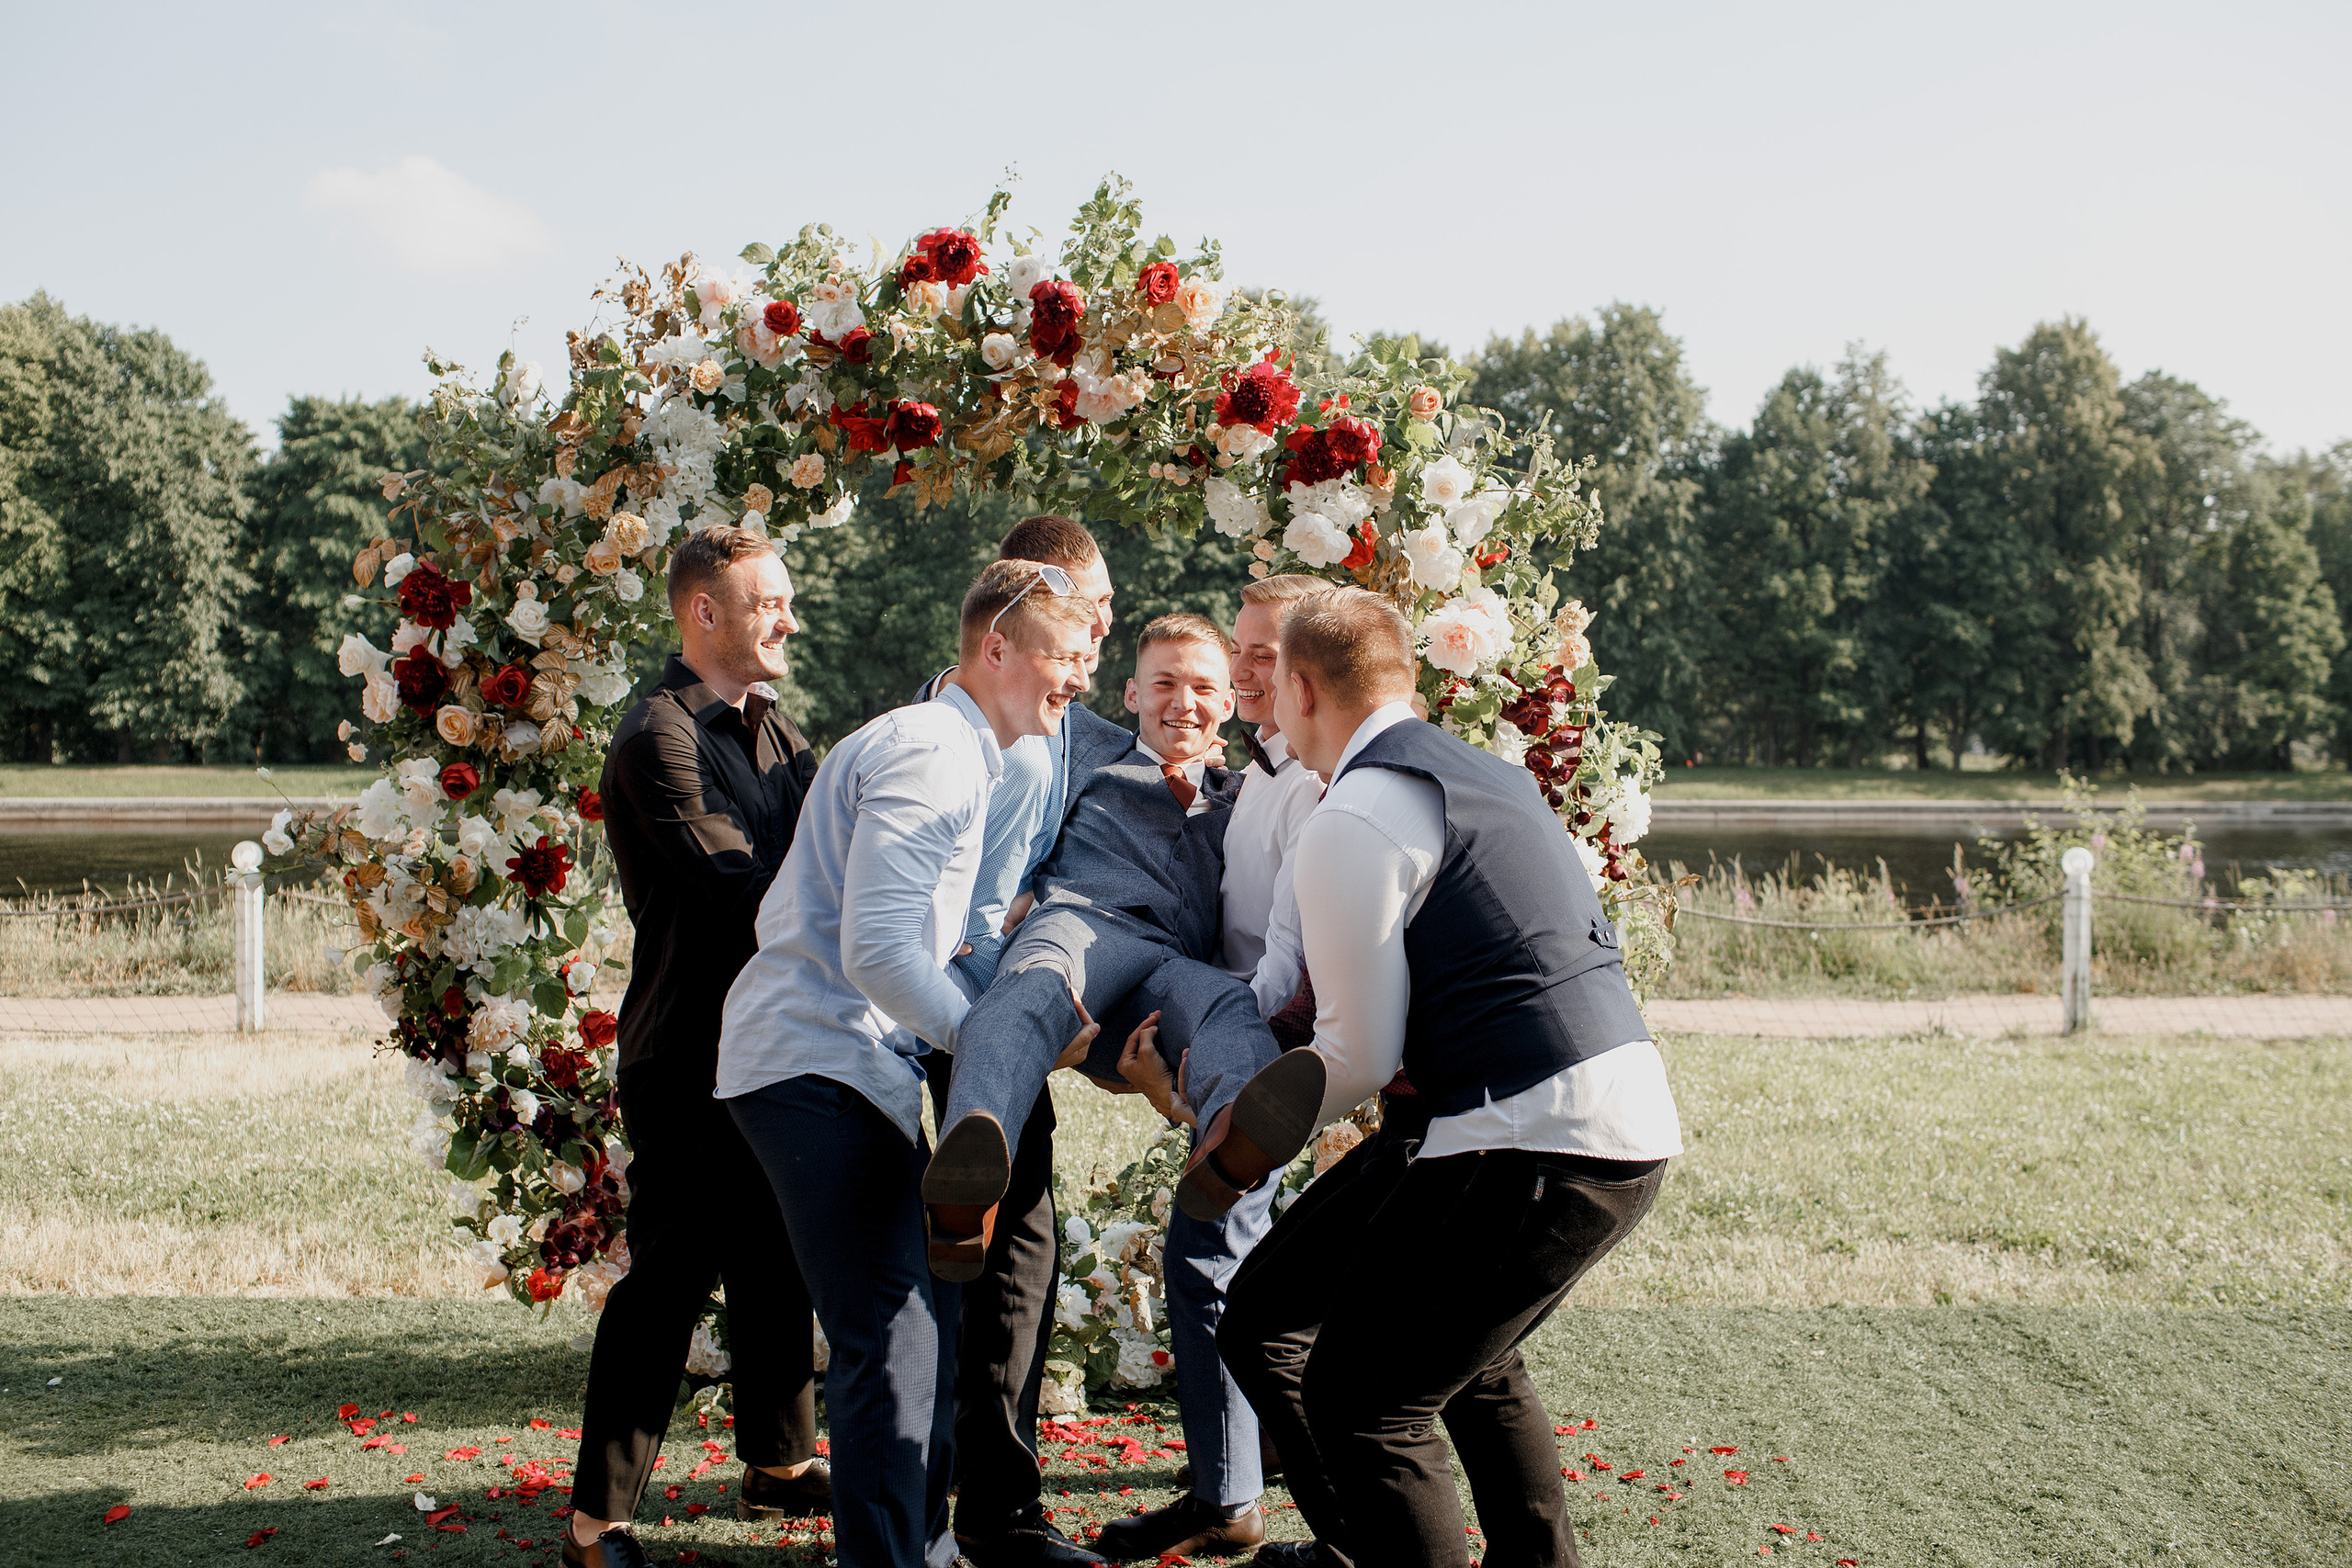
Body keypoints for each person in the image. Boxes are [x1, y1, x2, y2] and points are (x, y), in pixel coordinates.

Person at [1209, 586, 1685, 1568]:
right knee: (1464, 1363)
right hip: (1611, 1111)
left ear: (1300, 689)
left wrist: (1227, 1131)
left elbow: (1358, 1055)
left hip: (1532, 1131)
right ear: (1404, 680)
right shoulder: (1485, 775)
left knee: (1364, 1402)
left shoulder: (1353, 816)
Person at [716, 561, 1101, 1568]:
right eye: (1064, 659)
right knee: (891, 1337)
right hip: (815, 1065)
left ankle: (919, 1546)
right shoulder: (938, 753)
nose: (1078, 683)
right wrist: (999, 1046)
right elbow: (879, 952)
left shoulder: (949, 749)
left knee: (918, 1324)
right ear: (997, 649)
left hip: (839, 1064)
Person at [565, 526, 826, 1568]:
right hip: (686, 1051)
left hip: (775, 1038)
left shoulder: (779, 731)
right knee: (669, 1277)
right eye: (769, 603)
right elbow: (739, 891)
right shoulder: (656, 737)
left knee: (776, 1255)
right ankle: (597, 1523)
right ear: (703, 613)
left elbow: (823, 856)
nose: (789, 621)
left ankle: (778, 1464)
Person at [1089, 575, 1327, 1564]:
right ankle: (1227, 1487)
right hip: (1220, 1054)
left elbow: (1289, 962)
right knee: (1213, 1269)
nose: (1241, 670)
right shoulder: (1253, 776)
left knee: (1216, 1269)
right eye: (1242, 650)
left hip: (1260, 1062)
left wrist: (1218, 1068)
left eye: (1262, 654)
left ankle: (1266, 1503)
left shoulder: (1313, 785)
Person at [922, 616, 1279, 1274]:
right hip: (1083, 924)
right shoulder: (1084, 742)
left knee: (1229, 1005)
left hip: (1170, 968)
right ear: (1131, 694)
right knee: (1032, 984)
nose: (1184, 702)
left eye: (1203, 686)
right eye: (1164, 683)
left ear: (1229, 702)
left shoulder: (1246, 796)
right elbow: (976, 695)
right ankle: (968, 1182)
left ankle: (1231, 1138)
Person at [914, 515, 1119, 1568]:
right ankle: (992, 1513)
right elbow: (965, 910)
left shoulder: (1093, 738)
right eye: (1084, 611)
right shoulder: (977, 727)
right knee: (1010, 1258)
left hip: (999, 1002)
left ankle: (940, 1495)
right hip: (974, 1018)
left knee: (996, 1257)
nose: (1100, 633)